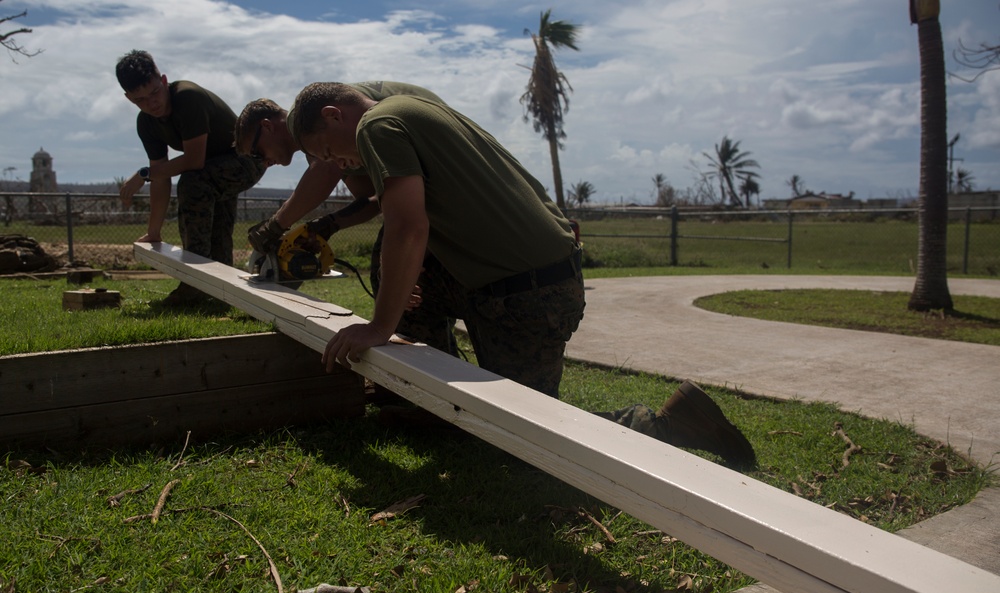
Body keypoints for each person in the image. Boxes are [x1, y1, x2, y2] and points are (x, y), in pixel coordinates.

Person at [289, 82, 757, 468]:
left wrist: (378, 327)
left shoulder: (377, 125)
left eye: (328, 151)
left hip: (531, 295)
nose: (338, 164)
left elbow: (408, 225)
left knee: (522, 440)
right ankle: (424, 404)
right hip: (522, 275)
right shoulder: (404, 102)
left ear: (334, 114)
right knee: (408, 278)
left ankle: (669, 424)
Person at [239, 82, 459, 356]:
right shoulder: (339, 145)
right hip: (432, 187)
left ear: (268, 126)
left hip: (446, 185)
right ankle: (427, 362)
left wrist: (274, 226)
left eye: (258, 153)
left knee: (396, 271)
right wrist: (327, 226)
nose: (262, 163)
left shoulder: (309, 119)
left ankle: (425, 368)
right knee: (399, 276)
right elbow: (373, 199)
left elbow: (324, 171)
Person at [116, 50, 266, 306]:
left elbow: (193, 160)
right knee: (217, 226)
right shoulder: (147, 124)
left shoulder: (187, 97)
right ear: (129, 99)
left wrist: (144, 175)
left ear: (163, 81)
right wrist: (153, 232)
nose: (152, 103)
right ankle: (224, 294)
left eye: (154, 92)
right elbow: (162, 178)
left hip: (248, 158)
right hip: (213, 169)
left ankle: (194, 283)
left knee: (192, 183)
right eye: (141, 99)